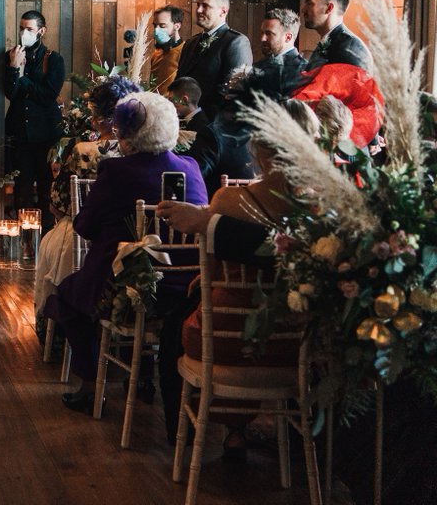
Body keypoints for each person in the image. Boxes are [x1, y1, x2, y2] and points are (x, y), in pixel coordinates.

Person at [155, 99, 321, 450]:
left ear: (258, 146)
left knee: (177, 325)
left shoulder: (229, 202)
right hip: (297, 343)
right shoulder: (323, 204)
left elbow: (210, 276)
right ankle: (248, 433)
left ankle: (183, 436)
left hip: (227, 341)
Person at [44, 91, 206, 414]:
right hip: (187, 292)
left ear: (128, 135)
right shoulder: (191, 167)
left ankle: (92, 384)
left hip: (124, 289)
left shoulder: (117, 173)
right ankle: (144, 372)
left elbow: (84, 227)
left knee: (65, 297)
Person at [34, 76, 137, 312]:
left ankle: (57, 329)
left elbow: (57, 206)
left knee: (53, 241)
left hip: (85, 237)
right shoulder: (144, 151)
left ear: (101, 117)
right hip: (136, 236)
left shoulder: (84, 151)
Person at [296, 0, 381, 147]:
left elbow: (363, 101)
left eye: (309, 3)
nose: (303, 9)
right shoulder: (330, 42)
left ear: (329, 8)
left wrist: (368, 141)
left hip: (342, 144)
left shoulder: (350, 48)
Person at [3, 9, 65, 229]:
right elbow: (10, 93)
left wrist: (23, 79)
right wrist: (13, 68)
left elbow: (48, 95)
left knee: (47, 190)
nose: (24, 33)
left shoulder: (54, 59)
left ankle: (46, 236)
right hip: (20, 134)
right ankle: (24, 237)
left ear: (41, 31)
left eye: (29, 29)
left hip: (46, 134)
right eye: (22, 28)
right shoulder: (12, 55)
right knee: (22, 190)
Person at [174, 0, 253, 119]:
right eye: (198, 5)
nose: (198, 10)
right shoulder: (190, 43)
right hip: (183, 124)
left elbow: (235, 95)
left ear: (223, 11)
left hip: (212, 126)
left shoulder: (236, 42)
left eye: (205, 6)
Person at [254, 7, 307, 101]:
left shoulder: (303, 70)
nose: (262, 38)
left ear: (288, 37)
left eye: (269, 34)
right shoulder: (259, 64)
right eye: (262, 33)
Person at [150, 5, 186, 94]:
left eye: (162, 26)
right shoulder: (156, 53)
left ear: (177, 26)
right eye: (155, 25)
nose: (156, 30)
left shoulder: (185, 51)